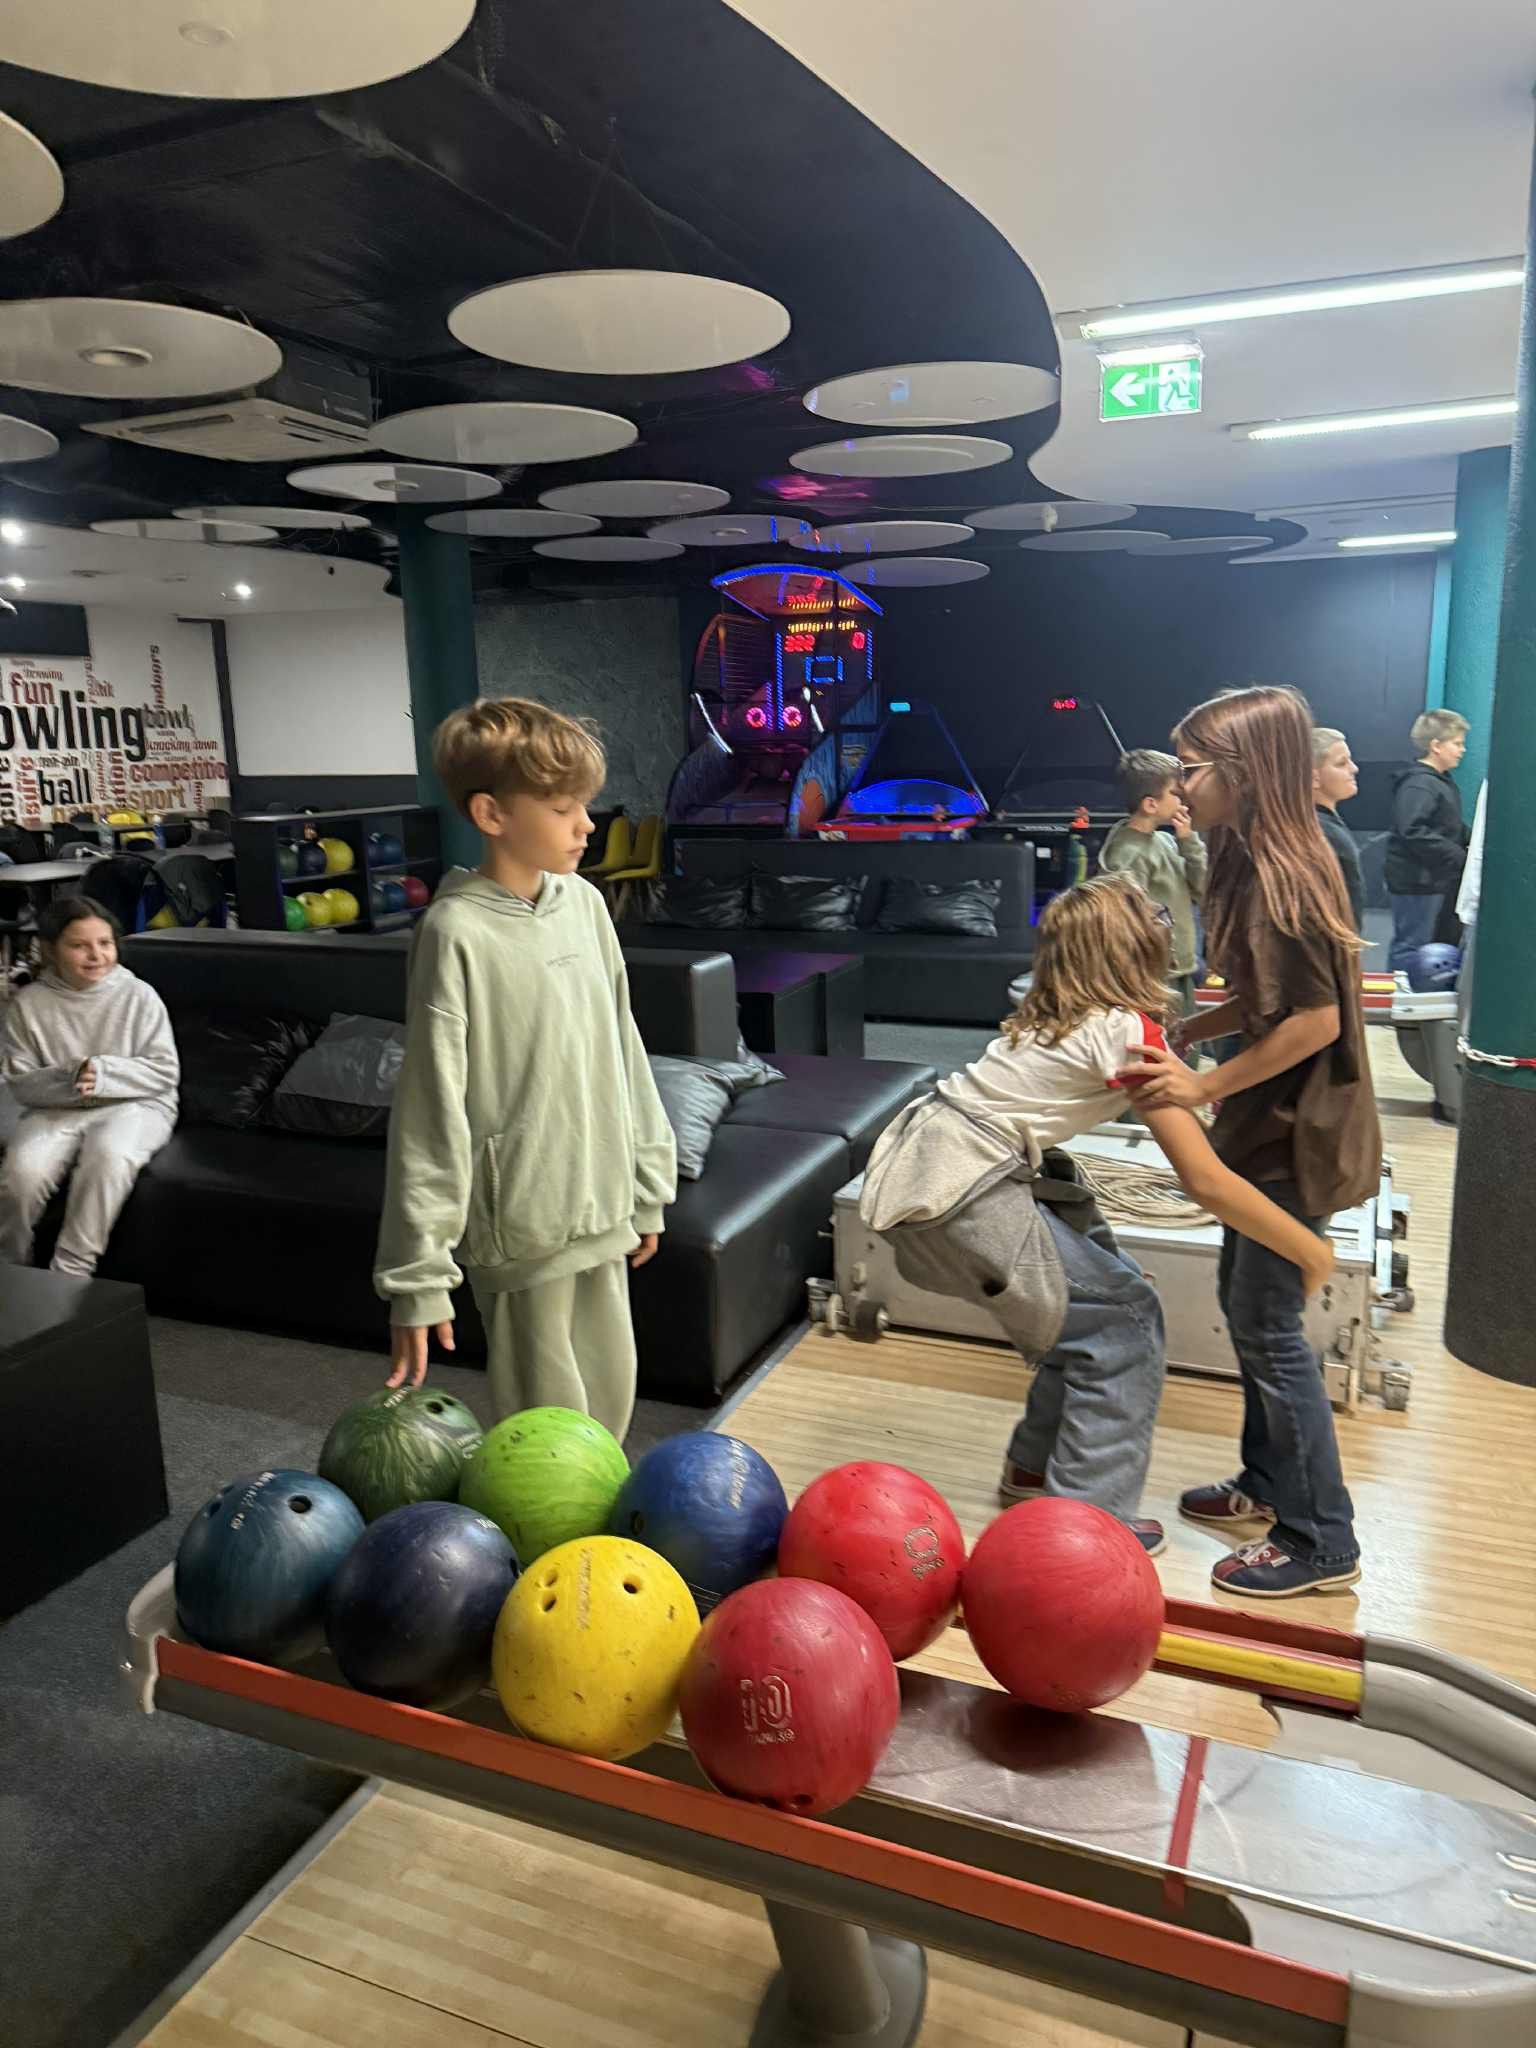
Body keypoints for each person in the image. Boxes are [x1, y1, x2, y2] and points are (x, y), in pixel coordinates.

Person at [859, 873, 1334, 1558]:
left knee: (1086, 1313)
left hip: (926, 1172)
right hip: (963, 1189)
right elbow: (1204, 1181)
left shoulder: (1053, 1015)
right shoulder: (1126, 1033)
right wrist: (1309, 1251)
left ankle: (1033, 1471)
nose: (1163, 915)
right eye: (1149, 910)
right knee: (1127, 1324)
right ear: (1127, 945)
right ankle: (1085, 1531)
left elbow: (1177, 1047)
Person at [1120, 685, 1379, 1599]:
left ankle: (1322, 1539)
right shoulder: (1252, 855)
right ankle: (1268, 1484)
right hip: (1267, 1122)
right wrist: (1195, 1028)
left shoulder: (1289, 872)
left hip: (1296, 1129)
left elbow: (1314, 1021)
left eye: (1192, 767)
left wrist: (1201, 1085)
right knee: (1248, 1304)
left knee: (1268, 1325)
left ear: (1243, 771)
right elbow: (1270, 1003)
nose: (1181, 783)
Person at [374, 697, 677, 1442]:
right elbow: (431, 1111)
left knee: (609, 1425)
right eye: (563, 808)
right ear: (491, 814)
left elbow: (624, 1048)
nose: (586, 826)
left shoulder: (587, 906)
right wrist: (419, 1277)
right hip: (522, 1231)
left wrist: (647, 1185)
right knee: (544, 1442)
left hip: (604, 1207)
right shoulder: (454, 933)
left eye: (585, 806)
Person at [0, 894, 178, 1275]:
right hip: (56, 1107)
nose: (96, 955)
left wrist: (105, 1074)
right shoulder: (27, 1005)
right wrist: (69, 1077)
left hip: (136, 1104)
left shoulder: (139, 996)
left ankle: (71, 1271)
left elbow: (165, 1072)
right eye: (79, 946)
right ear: (50, 950)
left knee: (108, 1158)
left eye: (105, 943)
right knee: (21, 1176)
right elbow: (19, 1084)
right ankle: (11, 1270)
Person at [1099, 748, 1208, 1022]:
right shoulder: (1127, 855)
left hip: (1178, 969)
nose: (1184, 799)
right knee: (1163, 1040)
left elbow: (1203, 888)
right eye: (1176, 793)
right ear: (1150, 805)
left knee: (1184, 1038)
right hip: (1152, 977)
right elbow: (1123, 925)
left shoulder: (1167, 841)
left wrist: (1189, 842)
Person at [1386, 710, 1470, 972]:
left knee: (1423, 943)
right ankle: (1397, 993)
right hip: (1416, 882)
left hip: (1432, 879)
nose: (1462, 750)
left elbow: (1447, 825)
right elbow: (1412, 830)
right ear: (1436, 745)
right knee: (1411, 945)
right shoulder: (1420, 785)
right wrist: (1458, 855)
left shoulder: (1440, 782)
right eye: (1457, 743)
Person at [1311, 726, 1364, 933]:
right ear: (1314, 778)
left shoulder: (1326, 826)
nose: (1354, 768)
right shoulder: (1321, 833)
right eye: (1341, 763)